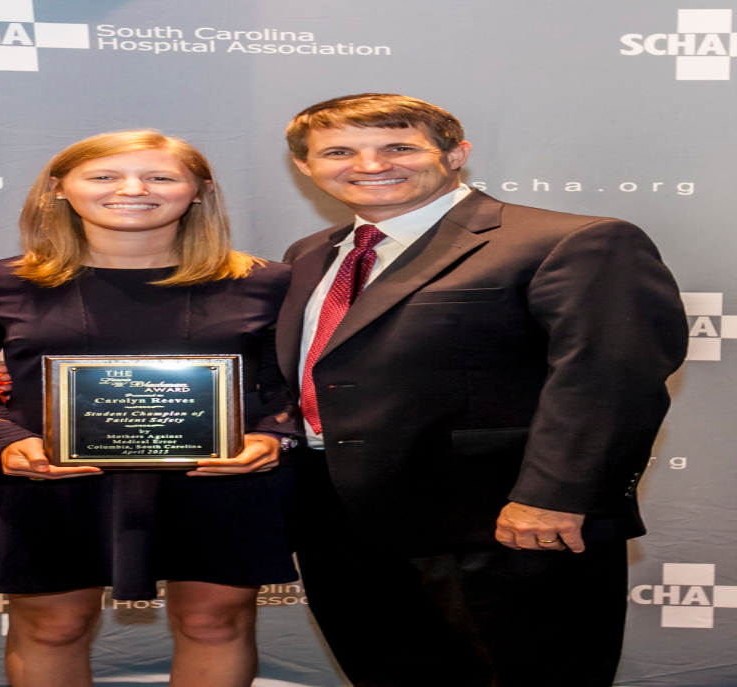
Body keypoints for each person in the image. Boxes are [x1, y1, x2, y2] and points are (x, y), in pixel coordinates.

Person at [279, 94, 688, 687]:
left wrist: (554, 497)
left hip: (507, 523)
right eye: (339, 151)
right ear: (305, 165)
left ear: (455, 154)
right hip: (339, 526)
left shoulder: (572, 240)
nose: (370, 165)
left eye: (399, 146)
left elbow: (610, 377)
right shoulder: (311, 256)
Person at [0, 130, 302, 687]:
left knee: (214, 623)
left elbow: (290, 387)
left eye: (160, 177)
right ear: (58, 188)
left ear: (200, 191)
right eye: (104, 176)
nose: (132, 190)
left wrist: (274, 437)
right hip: (49, 476)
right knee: (53, 628)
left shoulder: (269, 284)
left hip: (220, 476)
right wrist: (1, 440)